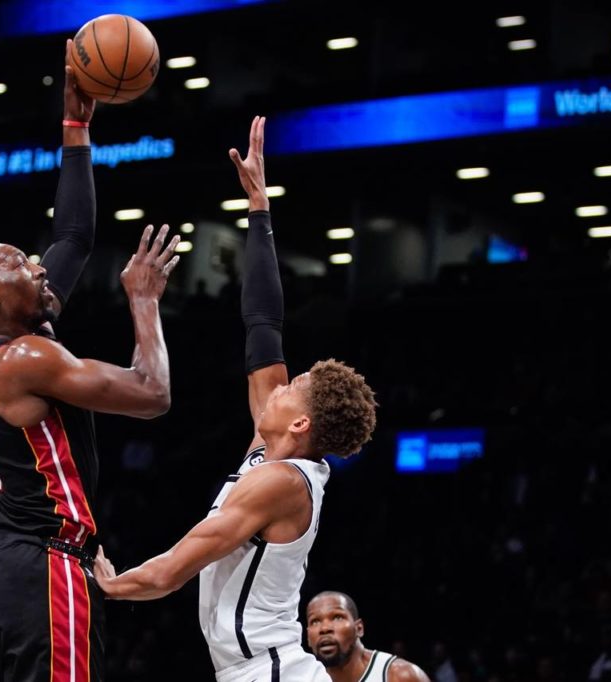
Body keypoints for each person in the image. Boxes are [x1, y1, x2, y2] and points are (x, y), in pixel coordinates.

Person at [92, 116, 378, 682]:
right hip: (254, 669)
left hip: (271, 671)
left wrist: (108, 583)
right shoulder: (270, 452)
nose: (282, 383)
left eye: (292, 387)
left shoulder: (282, 482)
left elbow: (172, 570)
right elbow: (263, 324)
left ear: (301, 423)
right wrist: (259, 209)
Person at [0, 41, 181, 682]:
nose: (37, 264)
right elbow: (152, 394)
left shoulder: (1, 344)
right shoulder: (26, 356)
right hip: (45, 564)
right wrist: (144, 302)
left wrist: (75, 126)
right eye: (19, 263)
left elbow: (74, 235)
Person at [306, 592, 431, 682]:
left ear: (359, 628)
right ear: (308, 637)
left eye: (337, 617)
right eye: (315, 621)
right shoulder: (301, 677)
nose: (325, 628)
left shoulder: (399, 676)